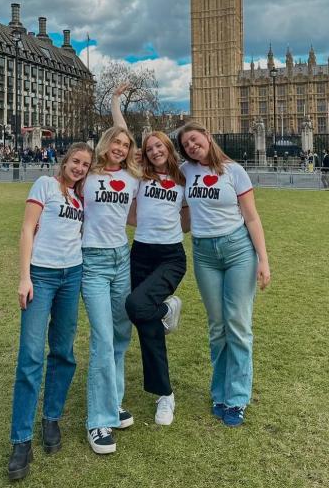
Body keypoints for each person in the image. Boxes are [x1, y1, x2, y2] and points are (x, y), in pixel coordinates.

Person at [8, 142, 93, 481]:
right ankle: (21, 440)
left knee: (63, 351)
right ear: (65, 161)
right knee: (30, 357)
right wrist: (24, 277)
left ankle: (51, 418)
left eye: (86, 165)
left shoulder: (81, 198)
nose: (80, 168)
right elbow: (28, 229)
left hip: (72, 275)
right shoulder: (45, 185)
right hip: (41, 276)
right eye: (76, 161)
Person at [177, 122, 271, 427]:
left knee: (238, 325)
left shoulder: (234, 171)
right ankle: (219, 391)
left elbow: (252, 217)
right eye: (185, 144)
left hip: (238, 250)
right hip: (204, 252)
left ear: (207, 135)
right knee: (217, 326)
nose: (191, 146)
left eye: (194, 139)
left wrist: (263, 260)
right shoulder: (185, 171)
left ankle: (237, 397)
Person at [111, 86, 189, 426]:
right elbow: (123, 135)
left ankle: (167, 307)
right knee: (146, 325)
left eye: (160, 145)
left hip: (171, 256)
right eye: (150, 147)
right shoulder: (139, 174)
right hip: (140, 252)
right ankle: (165, 395)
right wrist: (115, 101)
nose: (155, 150)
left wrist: (171, 225)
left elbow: (187, 218)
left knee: (135, 305)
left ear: (168, 148)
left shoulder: (184, 176)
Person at [81, 113, 140, 454]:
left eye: (125, 144)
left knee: (120, 335)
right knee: (102, 339)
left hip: (122, 258)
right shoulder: (88, 172)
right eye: (115, 142)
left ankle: (113, 401)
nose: (120, 147)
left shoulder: (131, 177)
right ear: (105, 144)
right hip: (93, 261)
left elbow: (137, 214)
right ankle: (98, 420)